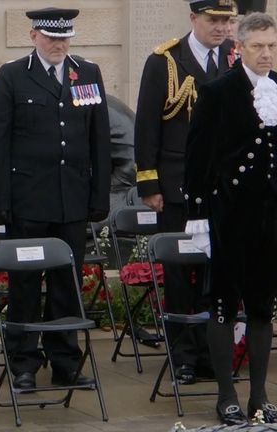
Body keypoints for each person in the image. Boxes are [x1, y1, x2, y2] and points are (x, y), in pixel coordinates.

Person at [0, 7, 110, 392]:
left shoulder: (86, 73)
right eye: (51, 37)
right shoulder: (12, 76)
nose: (59, 44)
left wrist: (98, 194)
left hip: (70, 199)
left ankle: (65, 361)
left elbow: (99, 141)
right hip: (28, 201)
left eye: (64, 37)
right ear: (33, 35)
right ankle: (23, 362)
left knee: (66, 284)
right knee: (24, 285)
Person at [134, 0, 236, 385]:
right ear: (194, 19)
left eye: (227, 20)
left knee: (218, 273)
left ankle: (213, 353)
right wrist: (149, 183)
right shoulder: (165, 61)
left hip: (225, 187)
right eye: (214, 20)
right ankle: (184, 357)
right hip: (177, 186)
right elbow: (146, 125)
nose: (222, 28)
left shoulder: (234, 57)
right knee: (180, 275)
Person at [185, 11, 277, 426]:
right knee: (223, 306)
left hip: (271, 217)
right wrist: (198, 216)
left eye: (272, 46)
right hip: (229, 215)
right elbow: (197, 159)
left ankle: (259, 396)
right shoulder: (218, 92)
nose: (266, 53)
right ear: (238, 48)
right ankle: (227, 396)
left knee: (261, 309)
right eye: (258, 46)